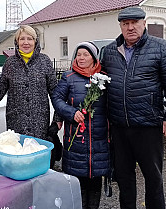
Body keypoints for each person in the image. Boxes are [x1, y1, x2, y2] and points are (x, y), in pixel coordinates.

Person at [101, 7, 166, 209]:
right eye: (125, 24)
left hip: (148, 126)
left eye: (135, 23)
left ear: (144, 24)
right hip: (119, 127)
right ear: (121, 26)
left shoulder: (161, 48)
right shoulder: (111, 51)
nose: (130, 28)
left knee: (153, 178)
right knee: (124, 178)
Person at [52, 42, 109, 208]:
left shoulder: (103, 77)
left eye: (86, 54)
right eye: (79, 55)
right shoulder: (68, 77)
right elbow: (57, 99)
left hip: (99, 138)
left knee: (95, 179)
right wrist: (71, 113)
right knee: (78, 182)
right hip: (76, 138)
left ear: (93, 57)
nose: (81, 58)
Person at [0, 25, 62, 144]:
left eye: (29, 39)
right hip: (16, 120)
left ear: (35, 41)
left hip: (39, 121)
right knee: (19, 154)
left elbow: (55, 91)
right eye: (22, 39)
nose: (26, 42)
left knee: (37, 153)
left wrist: (58, 118)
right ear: (17, 42)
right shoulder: (10, 63)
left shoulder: (44, 61)